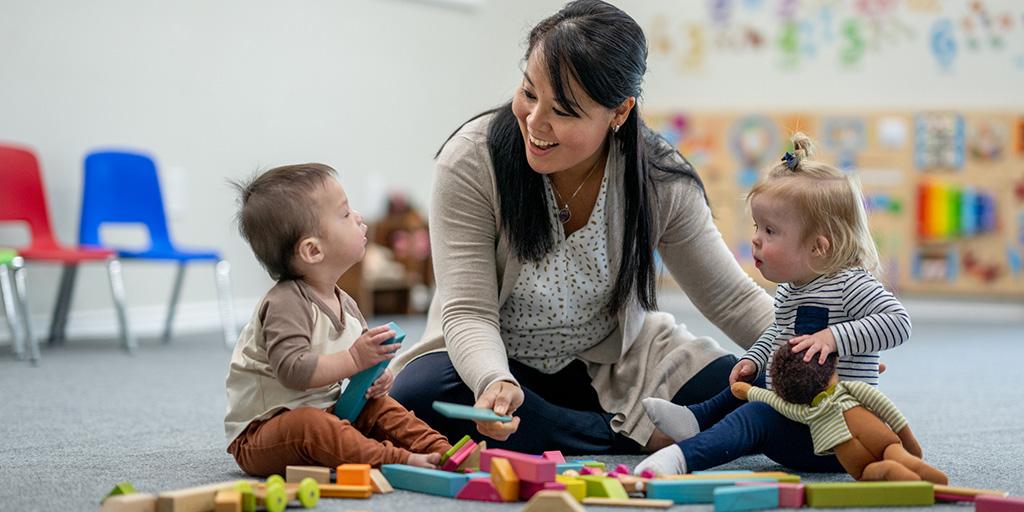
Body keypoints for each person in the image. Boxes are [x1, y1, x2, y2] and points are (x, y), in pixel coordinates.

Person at [389, 0, 774, 455]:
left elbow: (730, 298)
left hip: (616, 364)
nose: (534, 122)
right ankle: (622, 435)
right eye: (529, 93)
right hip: (495, 360)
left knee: (759, 387)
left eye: (564, 111)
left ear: (618, 112)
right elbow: (468, 312)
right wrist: (493, 379)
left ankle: (591, 430)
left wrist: (810, 355)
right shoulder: (472, 161)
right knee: (417, 397)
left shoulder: (658, 177)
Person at [636, 133, 911, 475]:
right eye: (756, 226)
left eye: (769, 231)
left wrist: (834, 338)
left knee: (756, 416)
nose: (755, 238)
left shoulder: (850, 284)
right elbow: (777, 332)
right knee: (755, 374)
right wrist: (754, 357)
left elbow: (898, 321)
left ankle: (680, 459)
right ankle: (698, 417)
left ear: (818, 247)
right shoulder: (791, 290)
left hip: (836, 436)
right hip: (799, 413)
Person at [224, 164, 451, 476]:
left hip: (329, 413)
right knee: (309, 424)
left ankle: (442, 450)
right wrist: (356, 358)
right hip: (264, 433)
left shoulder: (346, 303)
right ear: (313, 250)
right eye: (345, 214)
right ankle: (394, 460)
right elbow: (294, 370)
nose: (358, 217)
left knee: (380, 406)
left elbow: (356, 370)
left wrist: (374, 378)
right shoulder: (285, 303)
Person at [731, 345, 946, 483]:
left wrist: (749, 390)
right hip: (874, 431)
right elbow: (886, 408)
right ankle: (909, 463)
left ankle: (888, 470)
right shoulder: (850, 388)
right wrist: (908, 441)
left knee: (866, 472)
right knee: (892, 449)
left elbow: (774, 401)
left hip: (844, 447)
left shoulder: (805, 411)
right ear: (832, 365)